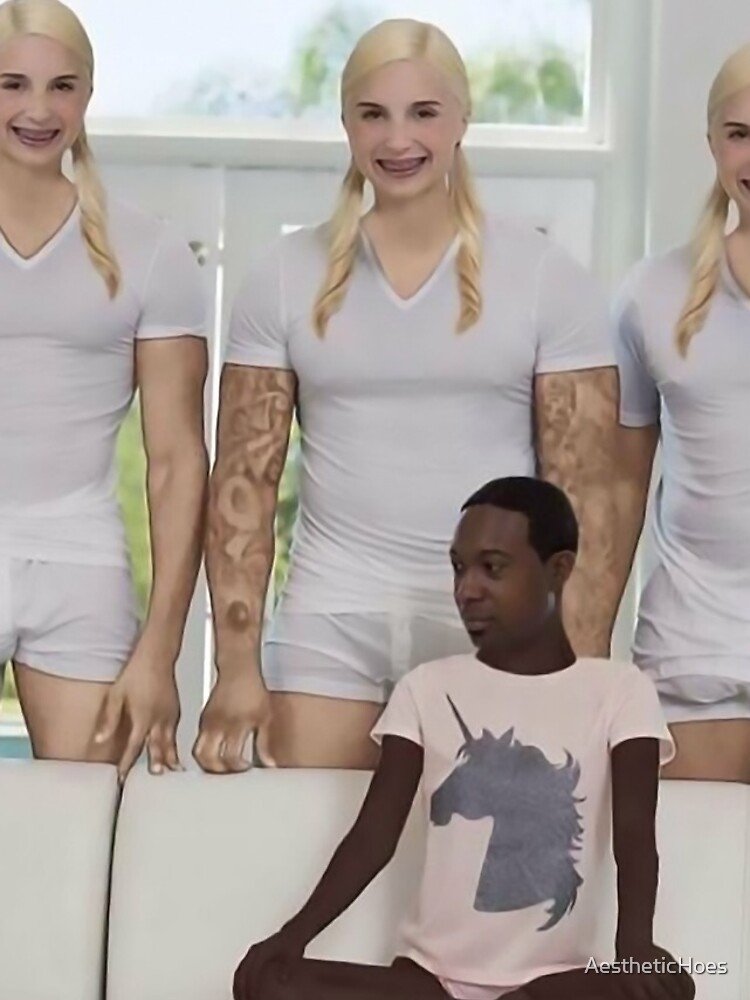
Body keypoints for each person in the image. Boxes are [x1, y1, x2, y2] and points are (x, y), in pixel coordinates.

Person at [196, 18, 619, 773]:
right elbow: (242, 487)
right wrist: (235, 667)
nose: (398, 139)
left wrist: (577, 672)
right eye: (373, 114)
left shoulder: (544, 276)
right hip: (331, 616)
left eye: (423, 112)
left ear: (462, 119)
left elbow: (585, 496)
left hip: (494, 620)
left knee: (481, 844)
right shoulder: (284, 275)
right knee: (309, 836)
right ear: (347, 123)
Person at [232, 477, 693, 1000]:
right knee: (271, 982)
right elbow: (373, 835)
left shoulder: (619, 690)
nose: (466, 589)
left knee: (672, 987)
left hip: (548, 987)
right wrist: (293, 937)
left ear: (558, 569)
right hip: (427, 985)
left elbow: (634, 835)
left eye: (492, 568)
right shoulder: (426, 687)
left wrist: (634, 950)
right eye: (458, 567)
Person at [0, 0, 208, 778]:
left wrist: (160, 649)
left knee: (93, 818)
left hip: (81, 563)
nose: (38, 110)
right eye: (12, 84)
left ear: (87, 94)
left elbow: (177, 462)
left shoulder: (149, 251)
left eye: (62, 86)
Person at [615, 42, 750, 782]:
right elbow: (617, 491)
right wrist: (578, 666)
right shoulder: (650, 293)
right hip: (691, 655)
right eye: (740, 134)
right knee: (692, 859)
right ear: (712, 144)